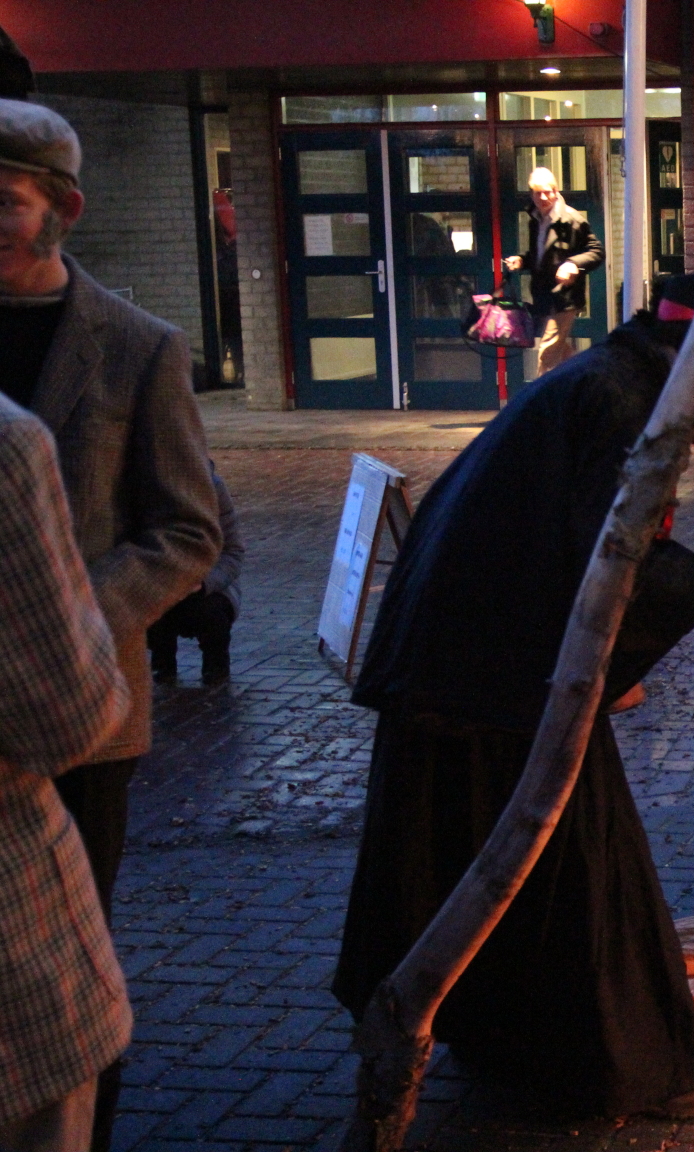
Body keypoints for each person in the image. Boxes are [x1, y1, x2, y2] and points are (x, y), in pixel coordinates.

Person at [333, 273, 694, 1118]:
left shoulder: (610, 381)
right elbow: (619, 561)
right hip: (489, 674)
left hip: (471, 656)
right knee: (567, 862)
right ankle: (608, 1068)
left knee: (484, 855)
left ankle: (501, 1039)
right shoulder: (625, 404)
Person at [0, 98, 221, 1149]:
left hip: (83, 720)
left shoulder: (137, 348)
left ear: (64, 211)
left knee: (72, 961)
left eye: (3, 203)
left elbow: (188, 530)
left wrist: (62, 621)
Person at [0, 394, 133, 1152]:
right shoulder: (10, 445)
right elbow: (68, 712)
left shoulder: (136, 344)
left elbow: (189, 528)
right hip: (19, 966)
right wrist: (74, 626)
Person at [148, 463, 244, 686]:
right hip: (163, 581)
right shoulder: (146, 489)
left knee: (212, 614)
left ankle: (216, 671)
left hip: (207, 584)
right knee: (151, 607)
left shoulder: (214, 488)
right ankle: (162, 666)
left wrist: (204, 583)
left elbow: (234, 552)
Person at [503, 165, 603, 378]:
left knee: (548, 354)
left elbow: (596, 251)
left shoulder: (571, 220)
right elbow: (541, 256)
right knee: (563, 352)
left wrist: (573, 264)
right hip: (543, 296)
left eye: (548, 191)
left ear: (556, 191)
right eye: (538, 193)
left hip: (564, 297)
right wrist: (522, 260)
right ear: (532, 194)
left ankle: (539, 405)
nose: (543, 197)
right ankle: (589, 380)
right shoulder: (536, 219)